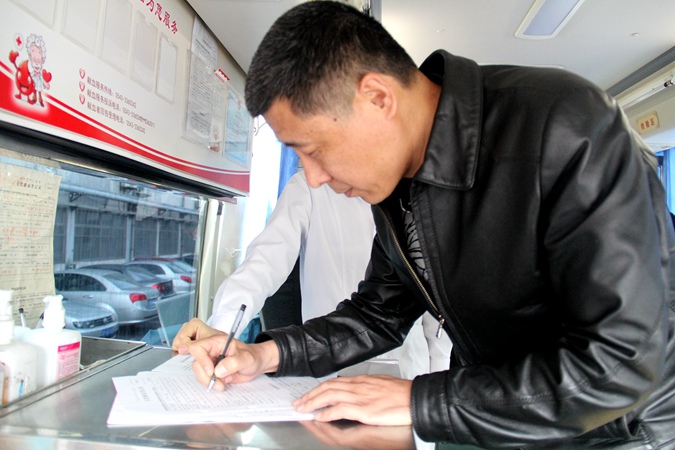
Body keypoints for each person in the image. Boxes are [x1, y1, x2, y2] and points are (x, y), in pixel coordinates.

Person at [183, 2, 675, 448]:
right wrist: (263, 355)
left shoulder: (566, 126)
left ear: (377, 97)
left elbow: (623, 363)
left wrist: (420, 400)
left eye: (313, 150)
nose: (312, 178)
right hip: (491, 405)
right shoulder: (397, 183)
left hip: (616, 429)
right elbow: (378, 313)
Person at [174, 170, 452, 379]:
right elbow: (264, 261)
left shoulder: (421, 198)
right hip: (325, 357)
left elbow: (436, 304)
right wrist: (223, 329)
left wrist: (439, 382)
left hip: (406, 368)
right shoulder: (311, 186)